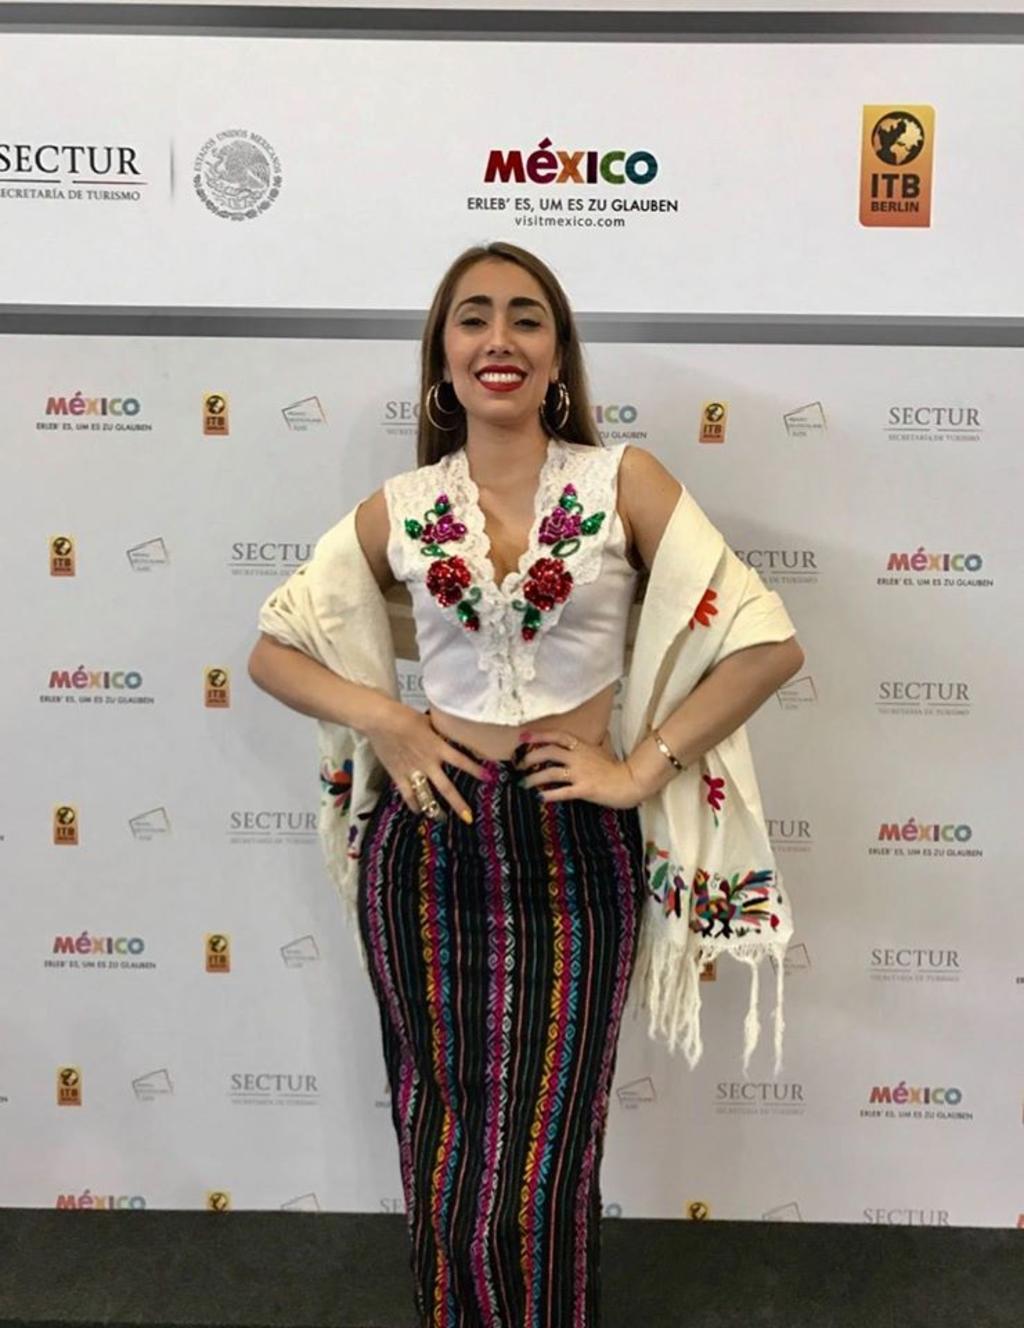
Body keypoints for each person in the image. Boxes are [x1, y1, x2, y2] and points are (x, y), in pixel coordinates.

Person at [249, 241, 804, 1328]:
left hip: (572, 843)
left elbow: (764, 642)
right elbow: (274, 650)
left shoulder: (621, 481)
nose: (497, 338)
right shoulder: (404, 504)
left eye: (524, 317)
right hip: (426, 842)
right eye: (472, 317)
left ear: (557, 353)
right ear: (441, 354)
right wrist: (389, 720)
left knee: (546, 1150)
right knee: (438, 1130)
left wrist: (638, 768)